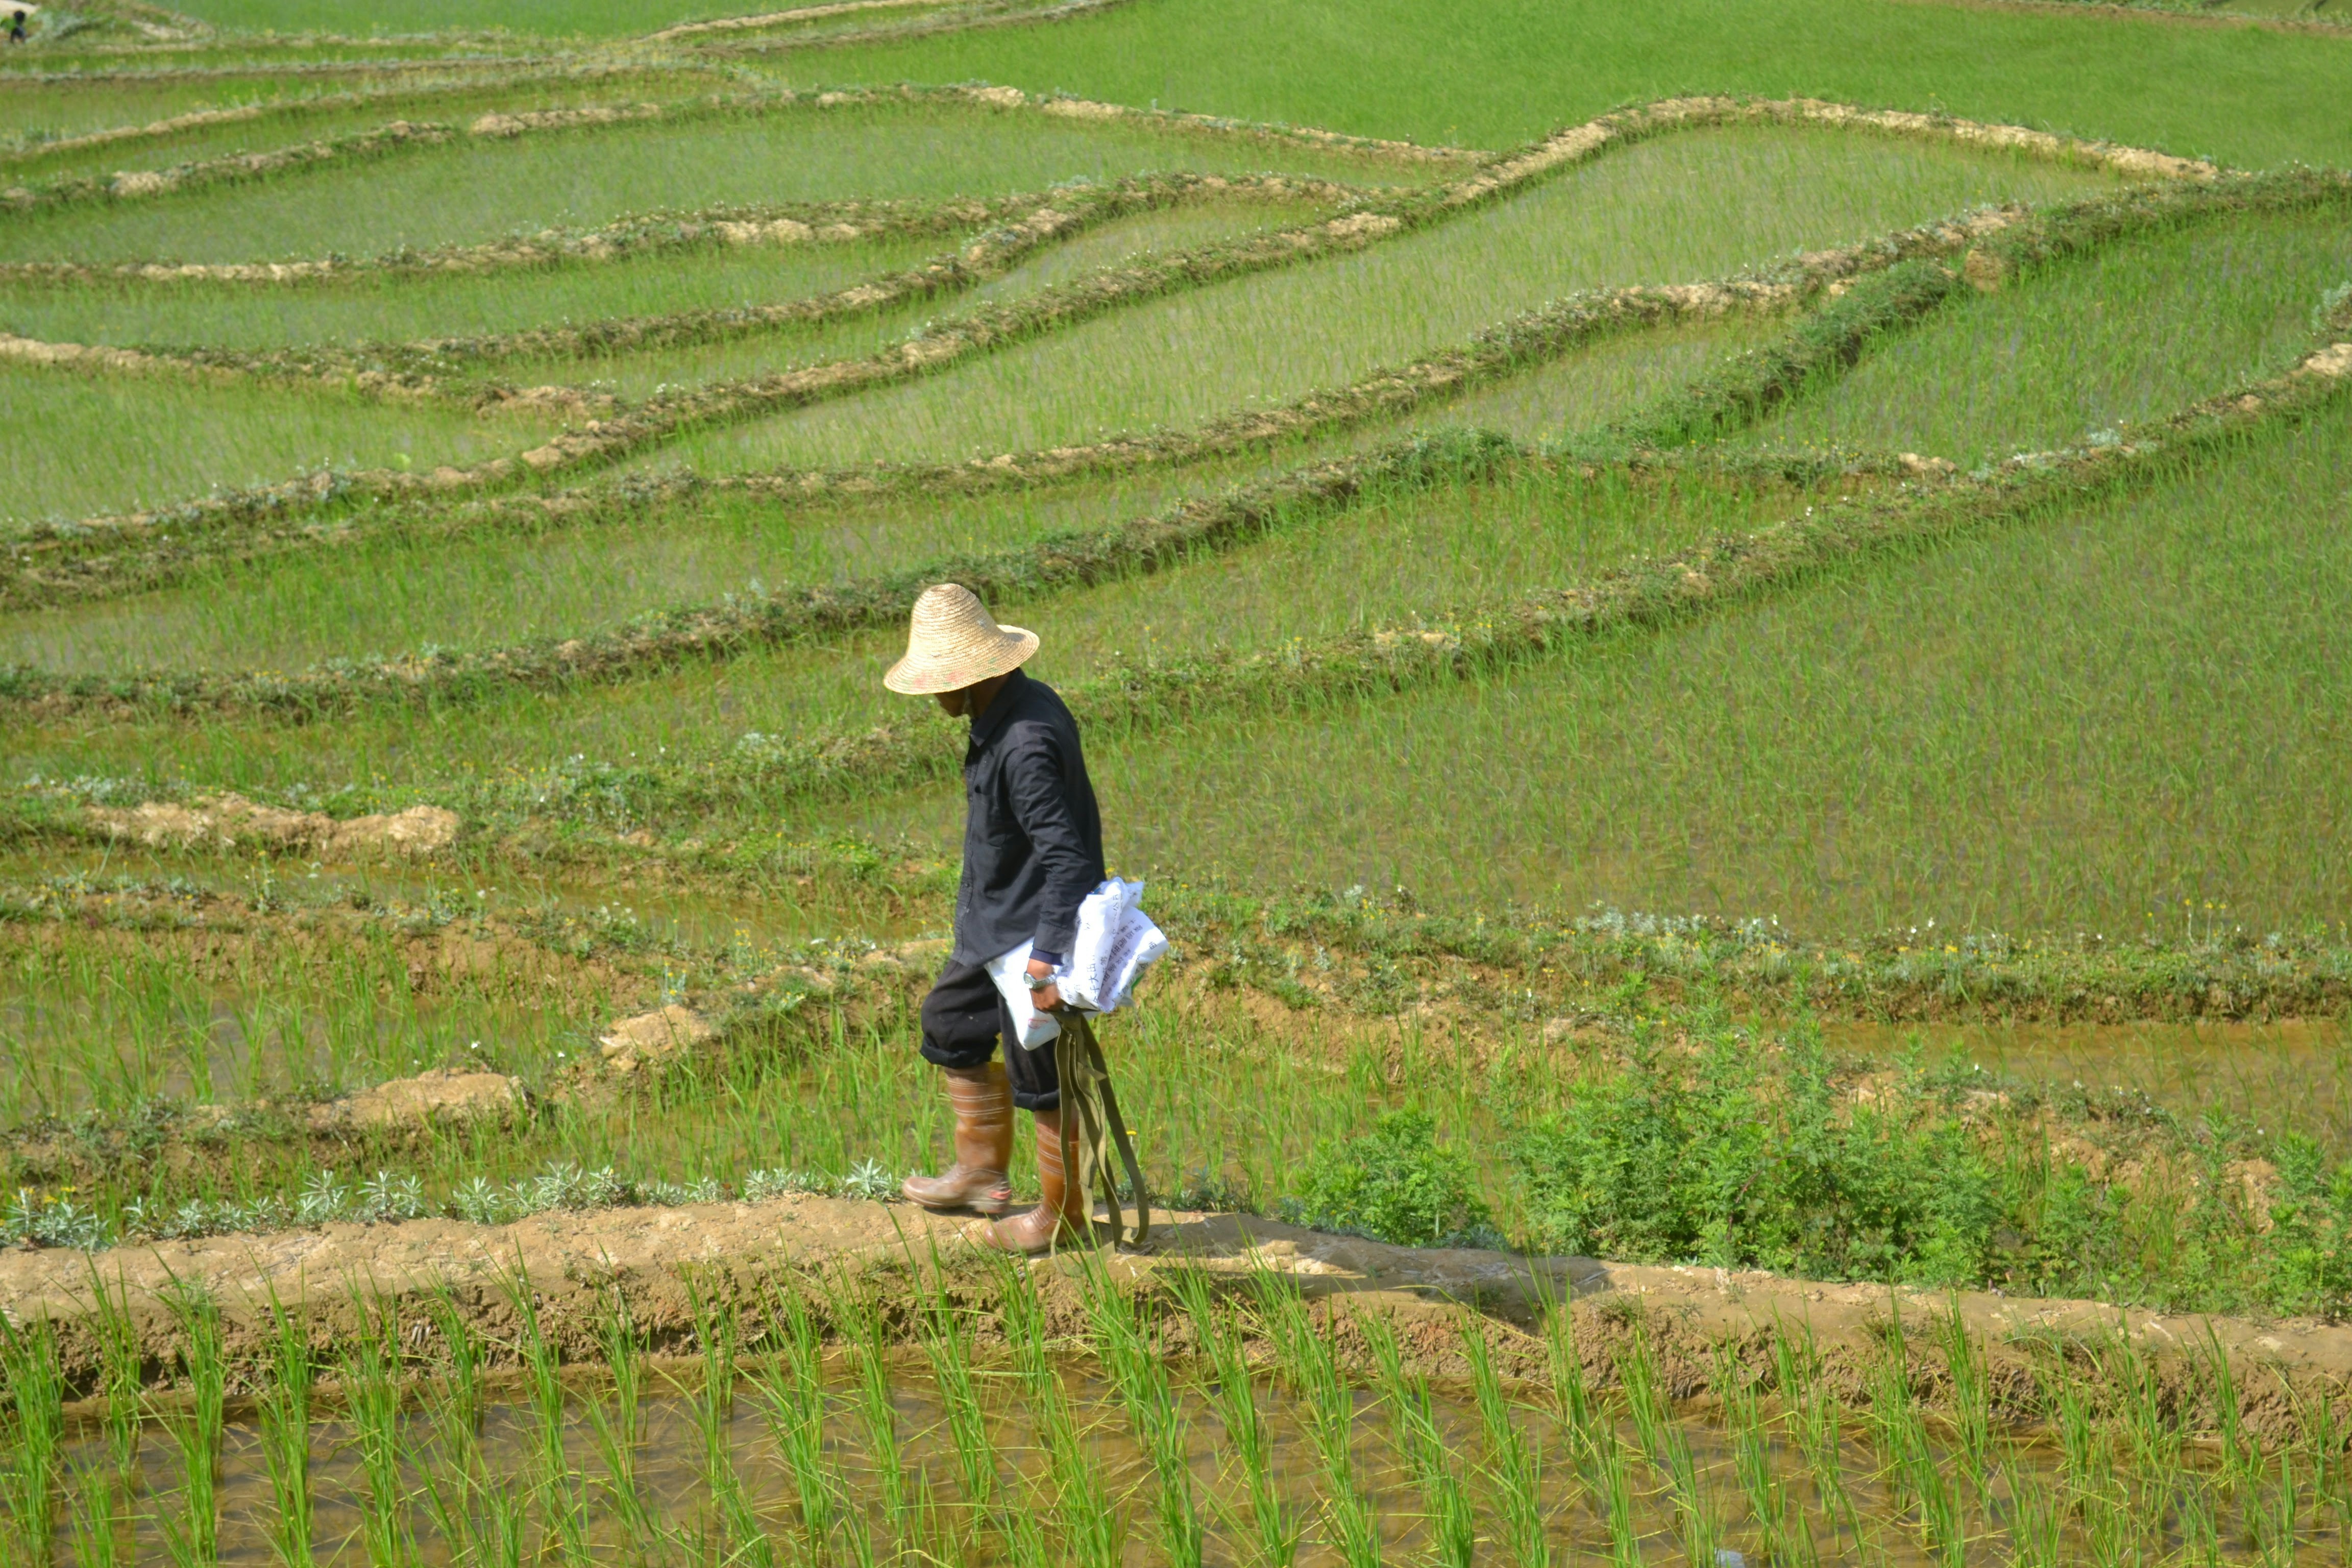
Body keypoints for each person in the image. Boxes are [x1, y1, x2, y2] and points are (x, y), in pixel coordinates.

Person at [887, 583, 1103, 1253]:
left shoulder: (1025, 742)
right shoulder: (1002, 715)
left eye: (939, 684)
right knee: (950, 1022)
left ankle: (1061, 1216)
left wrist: (1046, 959)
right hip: (994, 920)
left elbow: (1068, 861)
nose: (935, 697)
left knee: (1043, 1076)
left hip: (1028, 938)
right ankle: (981, 1173)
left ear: (974, 674)